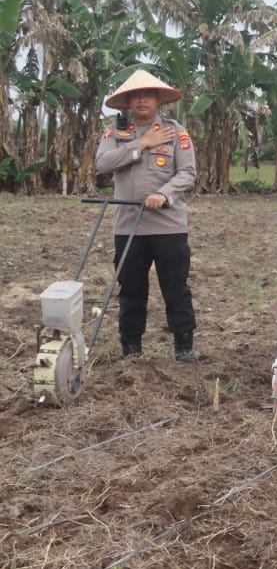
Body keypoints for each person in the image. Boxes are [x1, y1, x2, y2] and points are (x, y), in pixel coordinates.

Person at [93, 69, 198, 361]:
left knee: (175, 288)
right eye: (135, 96)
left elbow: (187, 172)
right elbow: (103, 164)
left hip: (169, 225)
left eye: (147, 95)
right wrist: (141, 144)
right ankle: (131, 347)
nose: (141, 101)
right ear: (127, 102)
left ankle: (184, 345)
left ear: (158, 100)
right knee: (131, 290)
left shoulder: (176, 132)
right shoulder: (114, 133)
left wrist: (164, 195)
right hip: (128, 226)